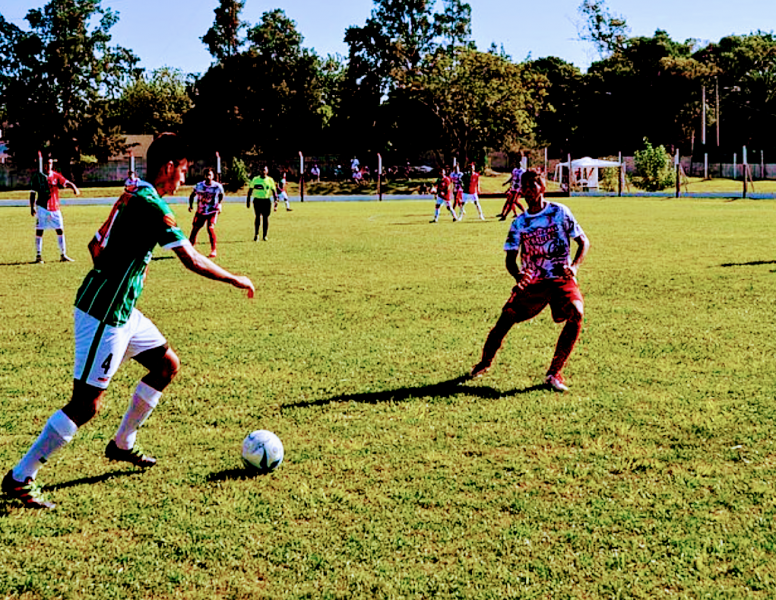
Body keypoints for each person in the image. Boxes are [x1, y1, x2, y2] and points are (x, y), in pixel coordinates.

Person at [2, 133, 255, 509]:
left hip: (122, 311)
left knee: (166, 365)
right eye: (183, 171)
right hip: (103, 314)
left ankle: (123, 443)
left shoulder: (132, 191)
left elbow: (94, 246)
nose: (184, 180)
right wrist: (236, 278)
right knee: (86, 405)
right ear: (169, 167)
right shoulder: (151, 204)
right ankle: (21, 476)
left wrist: (122, 270)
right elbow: (190, 259)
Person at [469, 170, 590, 392]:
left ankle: (554, 373)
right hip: (534, 280)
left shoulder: (560, 212)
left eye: (532, 186)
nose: (528, 191)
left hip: (560, 277)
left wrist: (574, 267)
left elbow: (583, 242)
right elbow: (510, 258)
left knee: (577, 312)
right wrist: (518, 276)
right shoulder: (520, 222)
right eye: (524, 187)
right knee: (505, 320)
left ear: (541, 188)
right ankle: (484, 363)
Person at [30, 158, 80, 263]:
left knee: (60, 229)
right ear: (43, 165)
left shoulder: (56, 176)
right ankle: (38, 256)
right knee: (40, 230)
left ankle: (63, 255)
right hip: (42, 208)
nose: (49, 166)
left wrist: (74, 188)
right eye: (47, 164)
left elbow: (66, 182)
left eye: (50, 164)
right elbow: (33, 193)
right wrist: (32, 207)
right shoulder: (37, 177)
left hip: (54, 208)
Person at [188, 167, 224, 258]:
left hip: (212, 210)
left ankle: (213, 250)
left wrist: (219, 204)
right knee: (195, 229)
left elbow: (221, 195)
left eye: (210, 175)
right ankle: (190, 249)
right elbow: (192, 195)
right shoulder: (199, 185)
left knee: (210, 228)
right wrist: (191, 205)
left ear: (213, 176)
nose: (208, 177)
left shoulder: (217, 186)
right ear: (204, 176)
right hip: (201, 210)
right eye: (206, 175)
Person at [246, 166, 277, 241]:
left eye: (264, 170)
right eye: (262, 170)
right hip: (257, 201)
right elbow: (250, 191)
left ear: (267, 171)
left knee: (266, 218)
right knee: (257, 217)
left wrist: (276, 201)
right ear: (259, 171)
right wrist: (248, 201)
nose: (263, 172)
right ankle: (256, 235)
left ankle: (265, 235)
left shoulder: (270, 180)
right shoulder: (255, 179)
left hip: (266, 201)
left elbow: (274, 191)